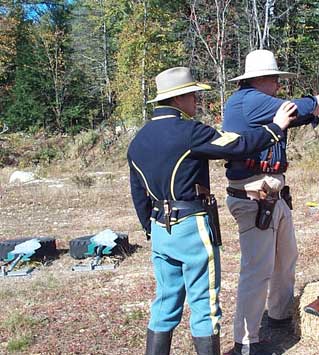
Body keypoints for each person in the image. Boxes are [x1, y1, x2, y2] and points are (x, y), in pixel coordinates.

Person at [127, 66, 298, 355]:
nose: (196, 100)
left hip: (158, 228)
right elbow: (238, 146)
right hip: (190, 225)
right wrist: (275, 127)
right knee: (205, 307)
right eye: (193, 95)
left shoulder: (138, 140)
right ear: (179, 98)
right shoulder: (190, 132)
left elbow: (138, 193)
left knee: (165, 303)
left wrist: (150, 226)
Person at [222, 50, 319, 355]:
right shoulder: (248, 99)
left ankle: (278, 315)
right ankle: (246, 340)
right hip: (254, 197)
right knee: (257, 270)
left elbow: (302, 114)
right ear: (260, 79)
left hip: (272, 196)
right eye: (275, 79)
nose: (279, 85)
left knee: (285, 259)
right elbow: (294, 108)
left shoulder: (258, 102)